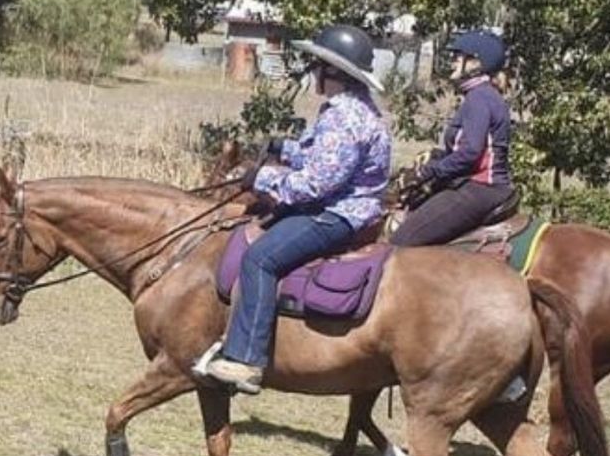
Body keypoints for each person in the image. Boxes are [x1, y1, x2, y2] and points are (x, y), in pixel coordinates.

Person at [200, 24, 392, 394]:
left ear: (333, 71)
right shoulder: (359, 110)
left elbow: (316, 183)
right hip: (350, 208)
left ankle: (246, 360)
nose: (314, 71)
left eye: (317, 64)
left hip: (336, 214)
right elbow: (324, 157)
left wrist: (261, 179)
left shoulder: (342, 116)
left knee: (259, 259)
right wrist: (283, 149)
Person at [391, 29, 515, 246]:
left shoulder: (479, 98)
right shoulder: (484, 95)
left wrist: (425, 172)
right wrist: (437, 158)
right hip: (483, 186)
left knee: (401, 240)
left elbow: (470, 153)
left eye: (459, 56)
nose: (453, 62)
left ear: (476, 63)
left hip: (479, 188)